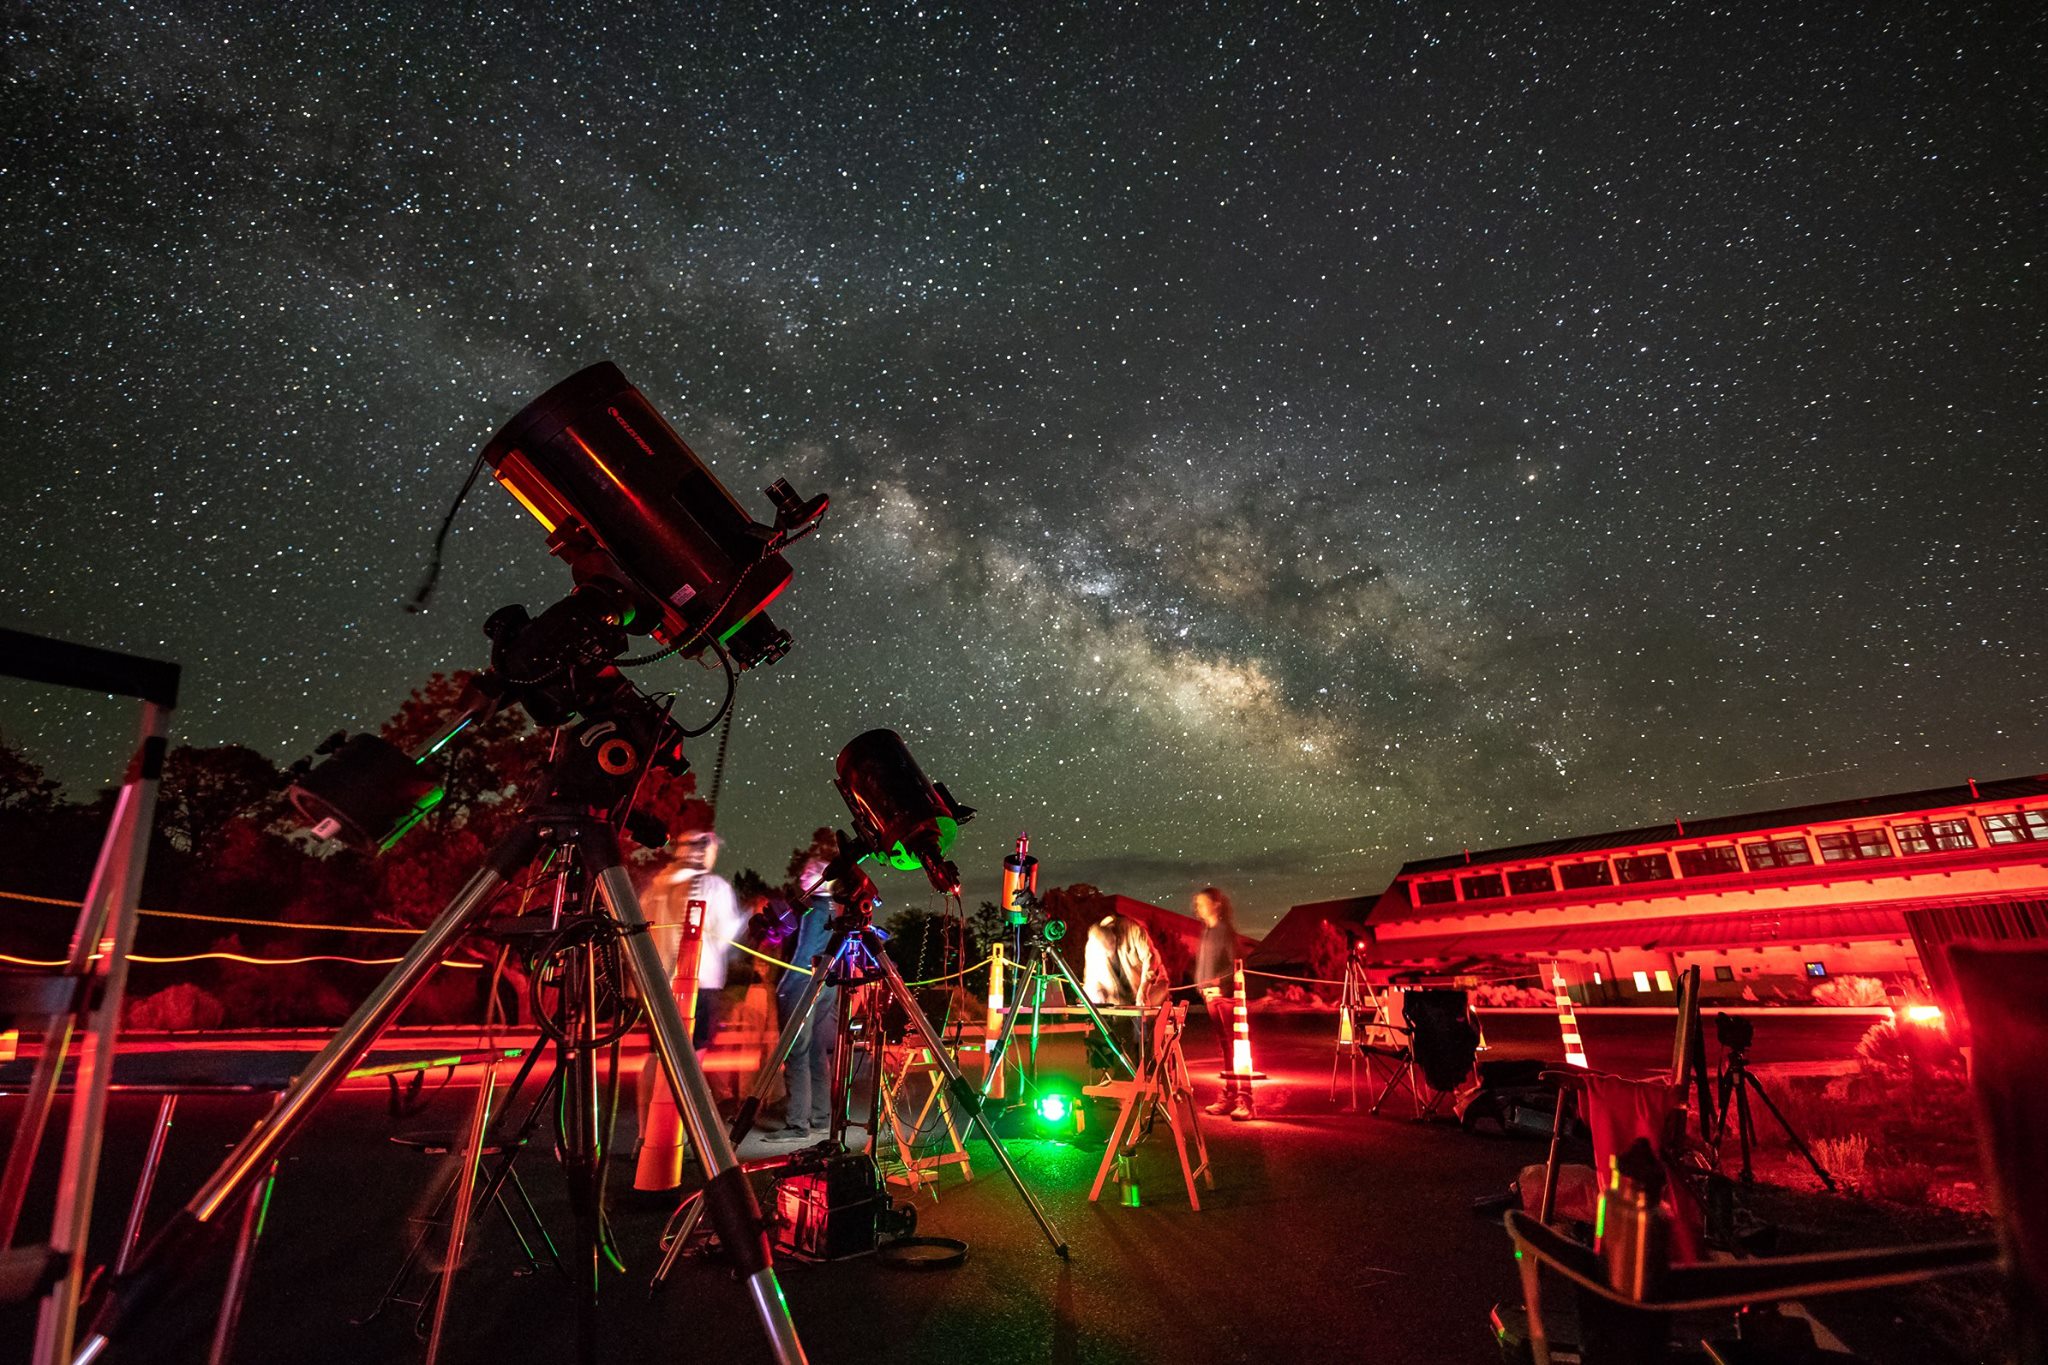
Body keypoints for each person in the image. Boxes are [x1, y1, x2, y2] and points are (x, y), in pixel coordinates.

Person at [767, 858, 841, 1142]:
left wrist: (783, 985)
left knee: (796, 1053)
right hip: (826, 987)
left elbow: (802, 953)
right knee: (816, 1053)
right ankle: (821, 1117)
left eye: (813, 871)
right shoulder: (836, 908)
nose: (804, 874)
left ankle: (798, 1123)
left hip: (801, 987)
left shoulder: (811, 911)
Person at [1194, 885, 1253, 1120]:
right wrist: (1202, 987)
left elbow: (1236, 964)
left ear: (1216, 905)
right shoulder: (1207, 932)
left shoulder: (1225, 931)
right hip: (1211, 999)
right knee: (1226, 1048)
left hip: (1226, 999)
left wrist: (1220, 986)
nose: (1197, 907)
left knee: (1237, 1048)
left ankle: (1245, 1099)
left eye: (1202, 902)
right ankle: (1229, 1095)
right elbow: (1203, 967)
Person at [1083, 912, 1169, 1073]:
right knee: (1121, 1030)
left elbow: (1151, 960)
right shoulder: (1093, 944)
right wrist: (1093, 997)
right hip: (1119, 999)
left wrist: (1144, 988)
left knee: (1149, 1030)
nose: (1110, 952)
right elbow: (1091, 978)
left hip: (1151, 987)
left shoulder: (1133, 930)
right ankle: (1126, 1073)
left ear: (1115, 935)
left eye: (1112, 946)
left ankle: (1153, 1070)